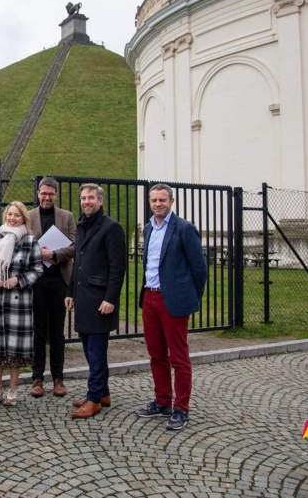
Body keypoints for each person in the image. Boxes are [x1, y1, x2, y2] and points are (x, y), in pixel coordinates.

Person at [134, 183, 207, 431]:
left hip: (173, 300)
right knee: (156, 354)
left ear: (171, 202)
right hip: (150, 297)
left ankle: (181, 408)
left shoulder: (184, 228)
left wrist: (189, 298)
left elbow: (199, 268)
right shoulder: (148, 228)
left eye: (162, 200)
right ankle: (163, 400)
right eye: (153, 200)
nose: (157, 204)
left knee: (179, 356)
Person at [64, 183, 126, 419]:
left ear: (100, 201)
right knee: (90, 350)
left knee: (96, 351)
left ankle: (94, 400)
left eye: (91, 198)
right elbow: (77, 264)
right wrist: (70, 292)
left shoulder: (111, 228)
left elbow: (117, 267)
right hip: (83, 298)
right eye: (83, 198)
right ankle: (103, 393)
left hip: (100, 300)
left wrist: (110, 298)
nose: (86, 202)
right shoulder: (81, 226)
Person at [0, 201, 44, 406]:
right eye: (9, 214)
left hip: (18, 301)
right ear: (5, 215)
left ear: (23, 218)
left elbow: (37, 269)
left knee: (15, 348)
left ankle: (13, 389)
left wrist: (19, 280)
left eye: (17, 215)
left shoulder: (30, 241)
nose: (12, 218)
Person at [29, 177, 76, 398]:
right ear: (38, 194)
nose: (47, 197)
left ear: (56, 195)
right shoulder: (28, 217)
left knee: (57, 332)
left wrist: (54, 254)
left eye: (51, 194)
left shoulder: (66, 216)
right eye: (43, 193)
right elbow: (22, 245)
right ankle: (37, 378)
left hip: (59, 279)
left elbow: (76, 245)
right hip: (36, 280)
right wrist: (39, 254)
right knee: (37, 332)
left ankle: (58, 378)